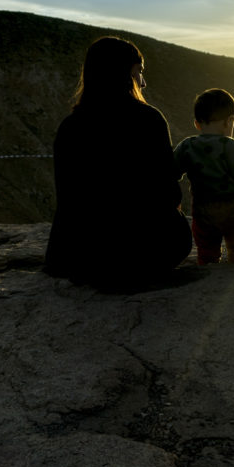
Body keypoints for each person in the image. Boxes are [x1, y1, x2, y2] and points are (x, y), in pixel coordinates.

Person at [44, 35, 192, 290]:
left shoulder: (70, 127)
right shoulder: (149, 119)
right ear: (126, 73)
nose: (143, 82)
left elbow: (67, 201)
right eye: (139, 72)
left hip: (84, 260)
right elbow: (168, 193)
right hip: (146, 256)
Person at [174, 89, 234, 265]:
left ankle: (208, 268)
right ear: (229, 121)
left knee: (206, 250)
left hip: (202, 209)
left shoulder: (187, 146)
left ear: (197, 124)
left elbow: (170, 171)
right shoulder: (233, 147)